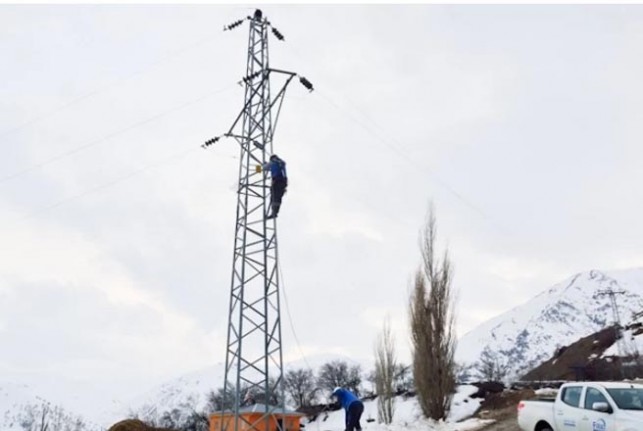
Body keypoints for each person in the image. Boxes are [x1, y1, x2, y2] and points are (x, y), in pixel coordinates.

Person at [262, 154, 288, 219]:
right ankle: (275, 212)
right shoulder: (280, 163)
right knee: (278, 197)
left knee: (274, 197)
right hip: (283, 182)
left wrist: (257, 168)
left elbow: (264, 168)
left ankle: (274, 213)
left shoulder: (273, 162)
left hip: (277, 182)